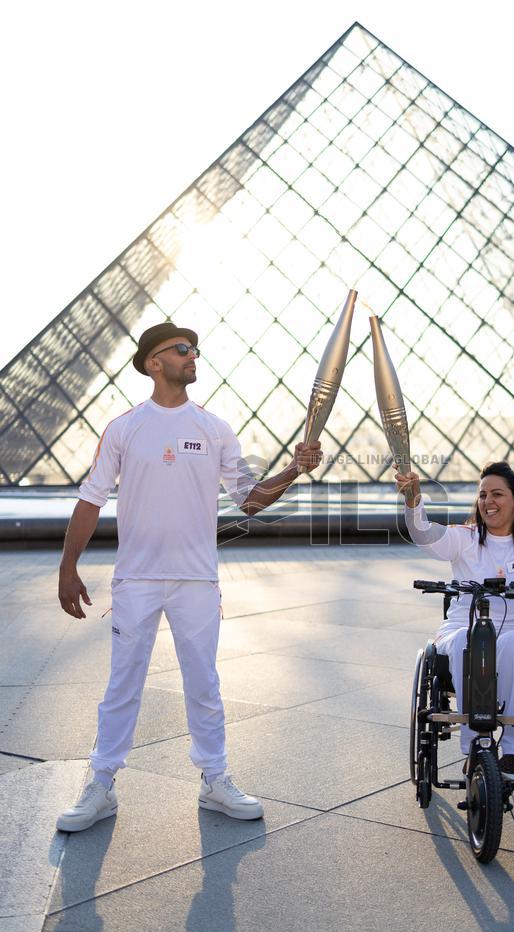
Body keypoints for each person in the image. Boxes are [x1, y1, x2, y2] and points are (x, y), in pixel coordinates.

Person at [56, 322, 322, 832]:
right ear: (153, 363)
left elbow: (247, 498)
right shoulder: (125, 427)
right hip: (135, 579)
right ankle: (102, 783)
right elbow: (91, 499)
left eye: (194, 349)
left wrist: (291, 471)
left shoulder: (215, 427)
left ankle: (215, 780)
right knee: (122, 685)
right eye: (181, 350)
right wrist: (68, 567)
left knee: (204, 684)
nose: (192, 355)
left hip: (197, 581)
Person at [395, 461, 514, 781]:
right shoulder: (465, 538)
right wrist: (413, 500)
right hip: (462, 624)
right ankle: (474, 742)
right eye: (483, 495)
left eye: (497, 494)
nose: (488, 501)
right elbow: (423, 534)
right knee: (464, 640)